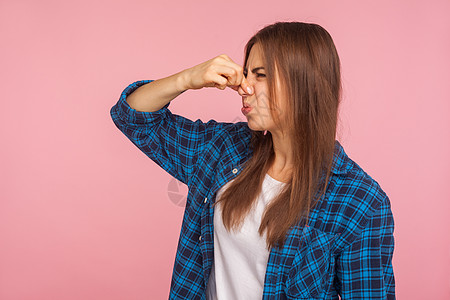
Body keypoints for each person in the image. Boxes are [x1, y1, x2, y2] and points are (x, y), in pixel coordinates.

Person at [110, 21, 395, 299]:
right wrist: (188, 78)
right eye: (246, 74)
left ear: (304, 82)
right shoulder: (223, 149)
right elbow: (133, 117)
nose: (244, 86)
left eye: (260, 74)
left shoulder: (361, 203)